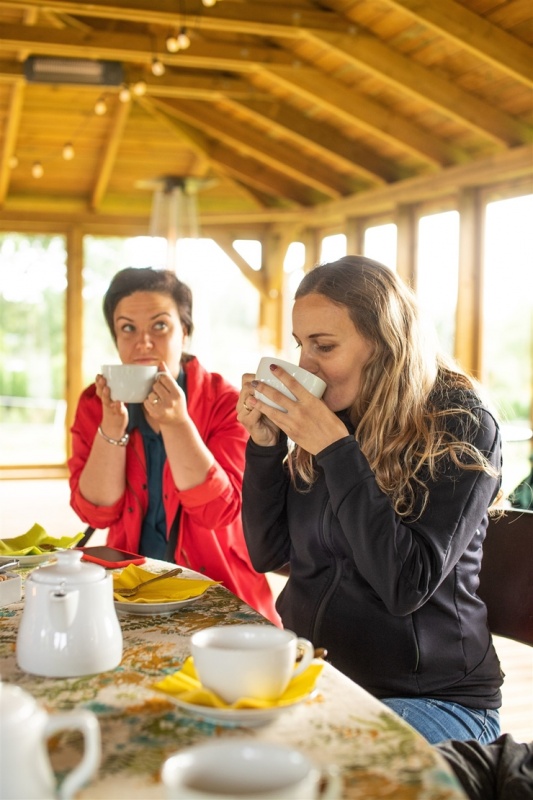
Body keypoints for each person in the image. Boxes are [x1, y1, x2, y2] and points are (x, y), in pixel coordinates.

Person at [237, 255, 504, 743]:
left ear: (385, 345)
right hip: (318, 680)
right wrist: (264, 447)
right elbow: (268, 553)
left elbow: (405, 585)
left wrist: (337, 451)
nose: (304, 367)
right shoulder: (339, 416)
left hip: (433, 698)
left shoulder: (461, 424)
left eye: (324, 346)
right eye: (301, 345)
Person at [69, 267, 278, 624]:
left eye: (160, 325)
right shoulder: (95, 403)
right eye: (127, 328)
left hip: (217, 590)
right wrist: (112, 428)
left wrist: (177, 423)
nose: (143, 342)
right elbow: (95, 513)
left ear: (185, 331)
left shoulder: (225, 402)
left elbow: (220, 512)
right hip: (128, 593)